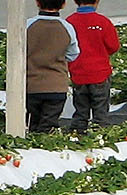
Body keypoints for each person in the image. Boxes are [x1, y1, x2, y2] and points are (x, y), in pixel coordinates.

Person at [25, 0, 79, 134]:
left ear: (37, 3)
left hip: (31, 85)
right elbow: (73, 54)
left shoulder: (28, 25)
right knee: (49, 126)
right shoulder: (67, 27)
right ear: (63, 4)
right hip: (56, 86)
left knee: (33, 124)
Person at [66, 0, 119, 132]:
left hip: (78, 73)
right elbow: (113, 46)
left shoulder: (69, 22)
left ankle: (78, 136)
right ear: (97, 1)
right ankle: (100, 137)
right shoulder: (103, 22)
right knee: (101, 112)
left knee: (81, 110)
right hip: (100, 73)